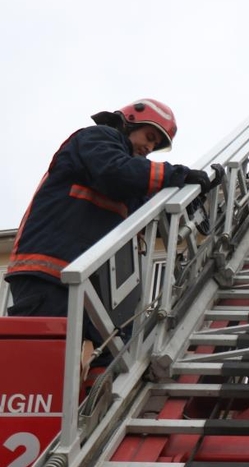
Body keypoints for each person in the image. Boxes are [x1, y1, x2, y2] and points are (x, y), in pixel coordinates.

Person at [4, 98, 221, 376]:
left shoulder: (131, 183)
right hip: (51, 273)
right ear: (129, 123)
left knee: (105, 365)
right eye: (149, 137)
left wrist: (192, 200)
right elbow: (114, 172)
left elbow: (148, 213)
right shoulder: (97, 138)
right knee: (39, 369)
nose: (149, 147)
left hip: (96, 287)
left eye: (155, 145)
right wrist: (178, 174)